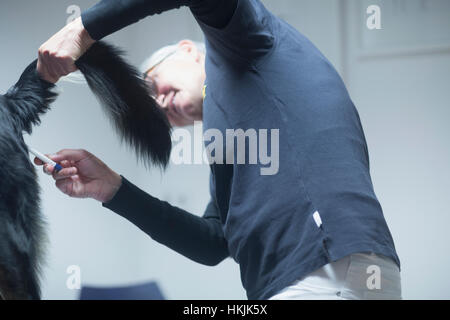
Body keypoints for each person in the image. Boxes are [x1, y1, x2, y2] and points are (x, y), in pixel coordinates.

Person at [35, 0, 402, 300]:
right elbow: (212, 244)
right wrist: (112, 188)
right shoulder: (231, 145)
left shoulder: (243, 44)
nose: (159, 104)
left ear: (187, 51)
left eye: (153, 86)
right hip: (312, 278)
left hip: (323, 269)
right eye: (154, 113)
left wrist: (80, 30)